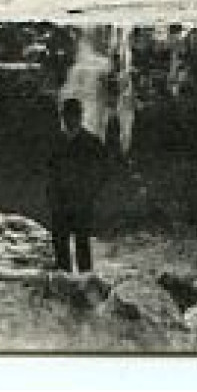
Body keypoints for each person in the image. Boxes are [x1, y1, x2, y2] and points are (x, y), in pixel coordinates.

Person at [45, 96, 111, 273]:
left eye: (74, 115)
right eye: (66, 116)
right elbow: (48, 172)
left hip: (81, 203)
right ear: (62, 117)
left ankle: (85, 285)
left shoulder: (92, 143)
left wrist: (89, 193)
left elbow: (102, 172)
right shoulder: (54, 142)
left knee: (82, 245)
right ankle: (66, 286)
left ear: (80, 117)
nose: (69, 119)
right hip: (59, 204)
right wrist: (52, 197)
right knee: (60, 246)